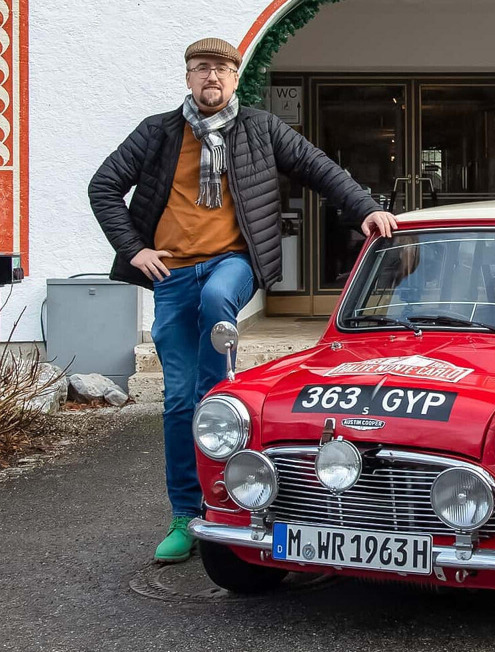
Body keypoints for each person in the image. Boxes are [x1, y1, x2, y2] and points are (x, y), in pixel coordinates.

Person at [88, 38, 397, 563]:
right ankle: (186, 513)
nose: (212, 77)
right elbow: (104, 186)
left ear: (235, 79)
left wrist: (365, 207)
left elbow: (318, 168)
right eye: (201, 69)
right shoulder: (158, 133)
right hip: (172, 272)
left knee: (215, 307)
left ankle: (220, 391)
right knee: (178, 402)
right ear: (188, 77)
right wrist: (134, 249)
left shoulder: (260, 127)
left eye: (222, 70)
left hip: (233, 261)